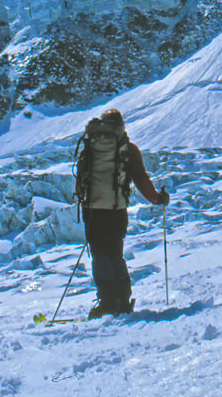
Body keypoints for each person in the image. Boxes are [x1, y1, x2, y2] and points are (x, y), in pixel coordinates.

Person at [75, 108, 169, 317]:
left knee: (99, 256)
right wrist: (157, 198)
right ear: (121, 126)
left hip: (93, 211)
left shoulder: (91, 145)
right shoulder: (128, 149)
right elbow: (141, 180)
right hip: (116, 211)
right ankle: (121, 300)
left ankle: (106, 301)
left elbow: (80, 179)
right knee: (115, 254)